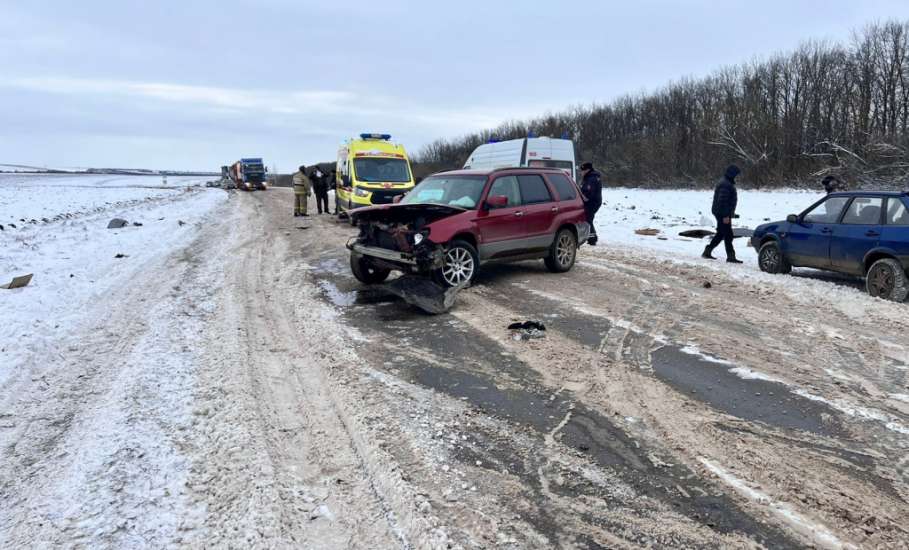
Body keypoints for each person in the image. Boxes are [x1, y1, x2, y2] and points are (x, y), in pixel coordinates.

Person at [702, 165, 742, 263]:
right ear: (732, 174)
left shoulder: (726, 182)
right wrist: (726, 215)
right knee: (728, 234)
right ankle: (731, 257)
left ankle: (707, 251)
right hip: (722, 213)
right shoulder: (725, 184)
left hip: (721, 212)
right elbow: (722, 202)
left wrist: (730, 213)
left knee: (720, 233)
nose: (737, 177)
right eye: (736, 175)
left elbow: (726, 201)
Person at [578, 162, 603, 245]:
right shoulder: (592, 177)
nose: (581, 172)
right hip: (594, 201)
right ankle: (592, 237)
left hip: (591, 202)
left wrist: (583, 198)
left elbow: (588, 192)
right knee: (589, 219)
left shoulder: (591, 178)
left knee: (588, 219)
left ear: (587, 170)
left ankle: (592, 239)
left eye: (583, 170)